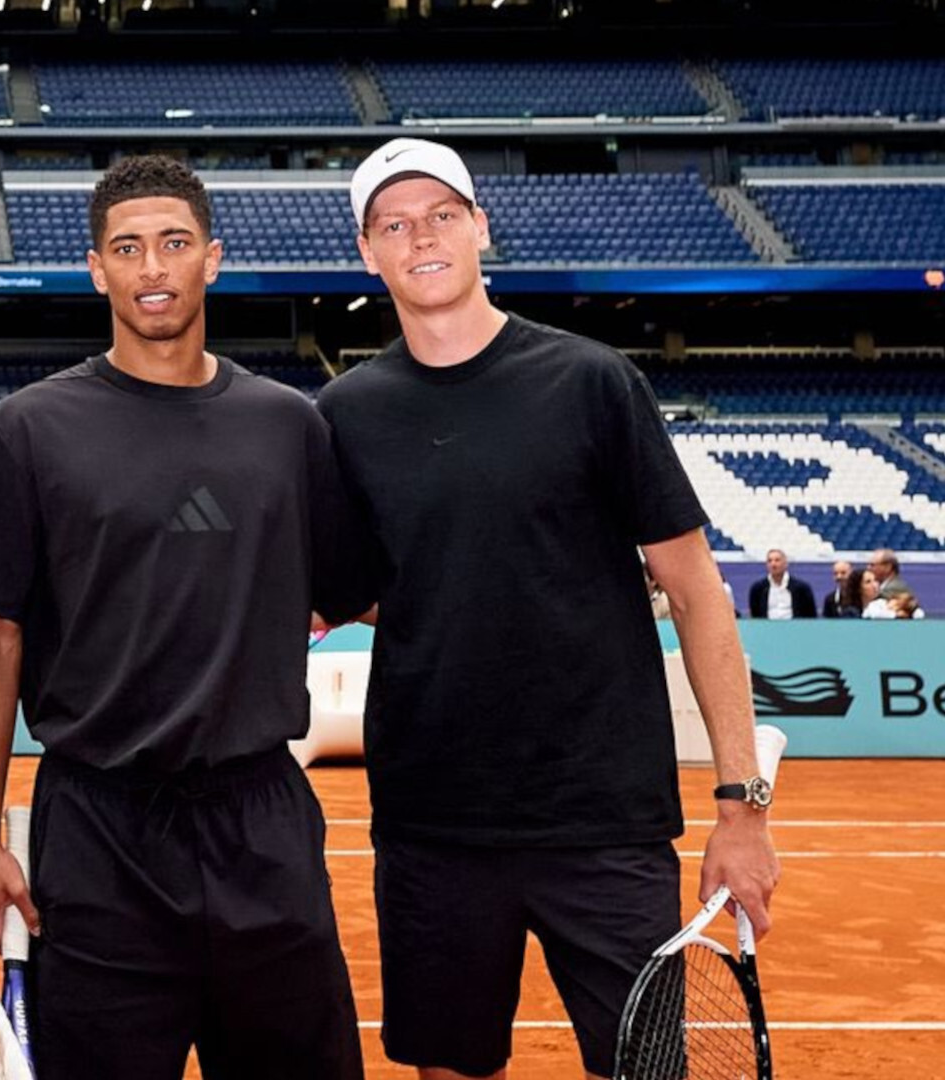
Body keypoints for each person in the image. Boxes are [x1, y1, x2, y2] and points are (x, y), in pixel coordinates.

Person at [316, 137, 779, 1080]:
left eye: (442, 215)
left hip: (604, 821)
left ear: (481, 226)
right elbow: (352, 594)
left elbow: (695, 593)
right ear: (368, 253)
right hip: (432, 823)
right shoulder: (344, 415)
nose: (422, 238)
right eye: (394, 225)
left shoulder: (593, 381)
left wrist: (741, 807)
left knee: (643, 1071)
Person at [0, 155, 369, 1080]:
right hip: (97, 830)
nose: (153, 268)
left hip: (262, 821)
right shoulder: (29, 428)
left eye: (174, 244)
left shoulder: (288, 425)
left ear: (211, 259)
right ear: (96, 269)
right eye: (128, 249)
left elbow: (355, 592)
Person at [748, 548, 817, 619]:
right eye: (770, 561)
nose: (773, 564)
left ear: (786, 564)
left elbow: (811, 616)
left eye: (777, 560)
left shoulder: (802, 588)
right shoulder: (758, 589)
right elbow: (755, 616)